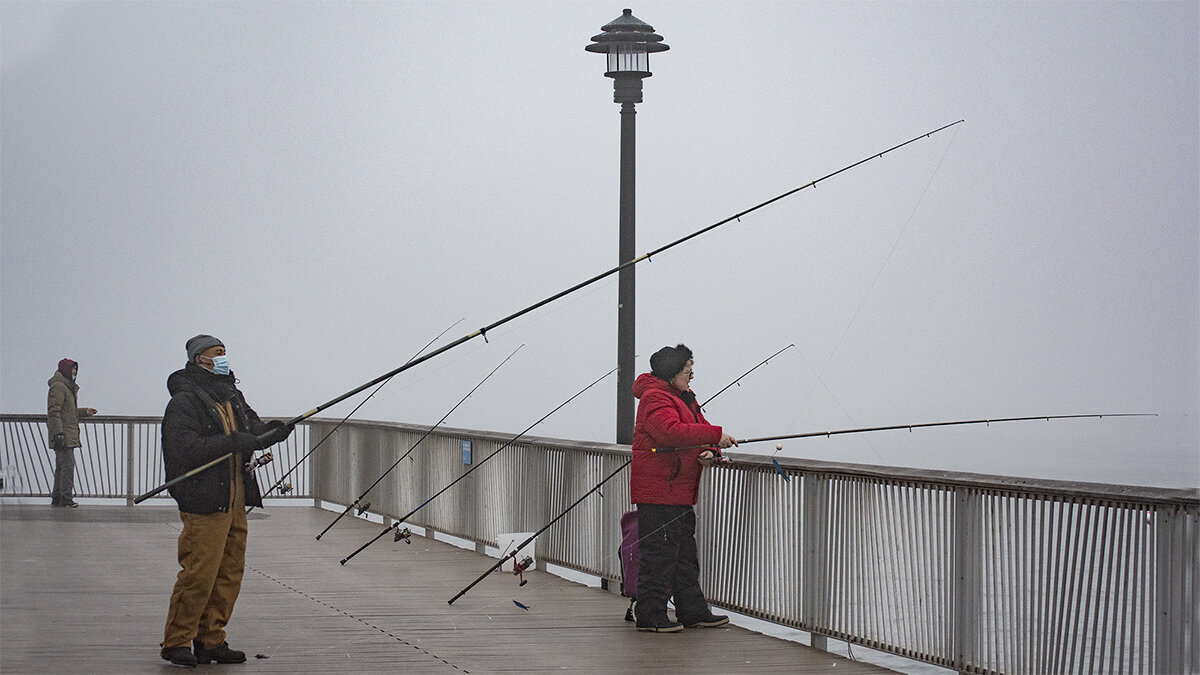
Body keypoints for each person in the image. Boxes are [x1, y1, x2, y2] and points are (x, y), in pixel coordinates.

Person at [159, 335, 292, 668]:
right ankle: (177, 641)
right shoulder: (184, 402)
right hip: (204, 500)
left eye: (225, 353)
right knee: (199, 573)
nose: (224, 358)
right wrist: (234, 441)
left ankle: (211, 640)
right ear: (199, 359)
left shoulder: (231, 394)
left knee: (229, 571)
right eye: (217, 353)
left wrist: (272, 432)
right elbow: (186, 449)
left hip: (234, 497)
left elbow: (251, 426)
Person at [630, 344, 736, 632]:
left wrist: (712, 450)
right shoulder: (654, 398)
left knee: (684, 555)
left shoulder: (685, 398)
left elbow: (698, 429)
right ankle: (650, 616)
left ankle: (693, 612)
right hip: (658, 491)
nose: (691, 377)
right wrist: (715, 435)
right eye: (688, 372)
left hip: (679, 491)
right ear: (673, 372)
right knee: (659, 555)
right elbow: (670, 432)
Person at [46, 358, 97, 507]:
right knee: (67, 466)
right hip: (64, 434)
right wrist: (58, 433)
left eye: (76, 369)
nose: (75, 372)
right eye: (73, 369)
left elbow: (68, 411)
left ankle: (58, 498)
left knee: (62, 466)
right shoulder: (59, 387)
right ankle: (66, 499)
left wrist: (84, 411)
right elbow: (54, 412)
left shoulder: (66, 387)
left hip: (65, 433)